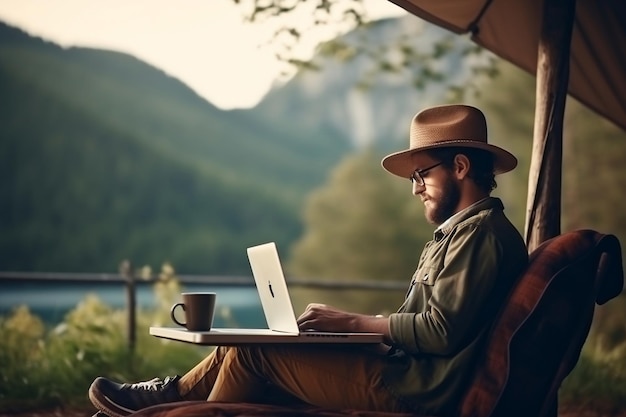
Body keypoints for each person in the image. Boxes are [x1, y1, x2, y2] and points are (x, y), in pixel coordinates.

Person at [88, 104, 528, 417]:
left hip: (417, 391)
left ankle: (171, 404)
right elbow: (432, 324)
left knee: (254, 355)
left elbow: (439, 332)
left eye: (421, 174)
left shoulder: (480, 236)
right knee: (253, 343)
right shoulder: (460, 234)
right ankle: (171, 394)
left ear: (461, 167)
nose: (414, 188)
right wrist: (357, 332)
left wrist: (356, 324)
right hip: (405, 372)